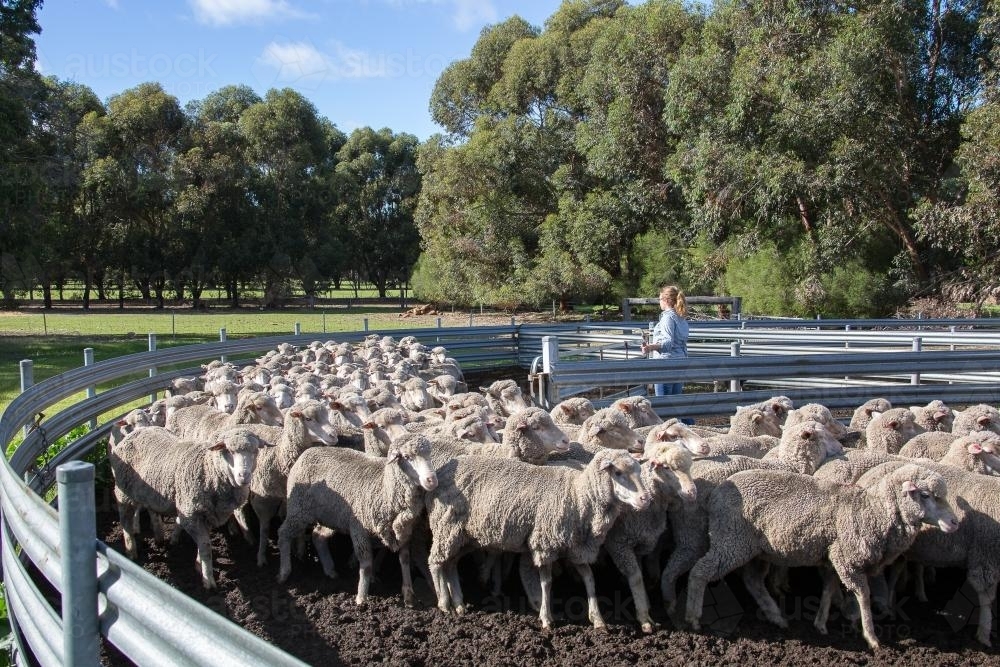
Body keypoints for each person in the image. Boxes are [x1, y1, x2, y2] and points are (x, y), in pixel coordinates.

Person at [640, 285, 689, 396]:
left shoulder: (668, 318)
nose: (659, 302)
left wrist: (650, 347)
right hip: (680, 361)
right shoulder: (681, 317)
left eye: (660, 299)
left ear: (666, 300)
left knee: (664, 404)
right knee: (675, 403)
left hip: (666, 364)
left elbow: (667, 342)